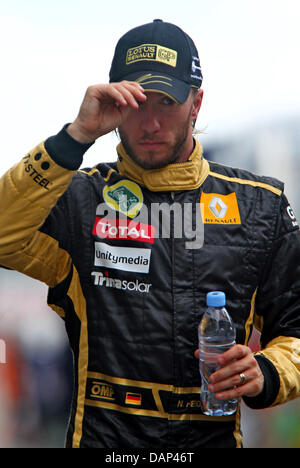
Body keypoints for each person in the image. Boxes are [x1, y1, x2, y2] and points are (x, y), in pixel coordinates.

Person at [0, 19, 300, 449]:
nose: (151, 123)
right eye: (137, 102)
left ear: (196, 104)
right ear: (113, 101)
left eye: (167, 102)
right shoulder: (80, 197)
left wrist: (267, 371)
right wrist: (75, 137)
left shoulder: (261, 206)